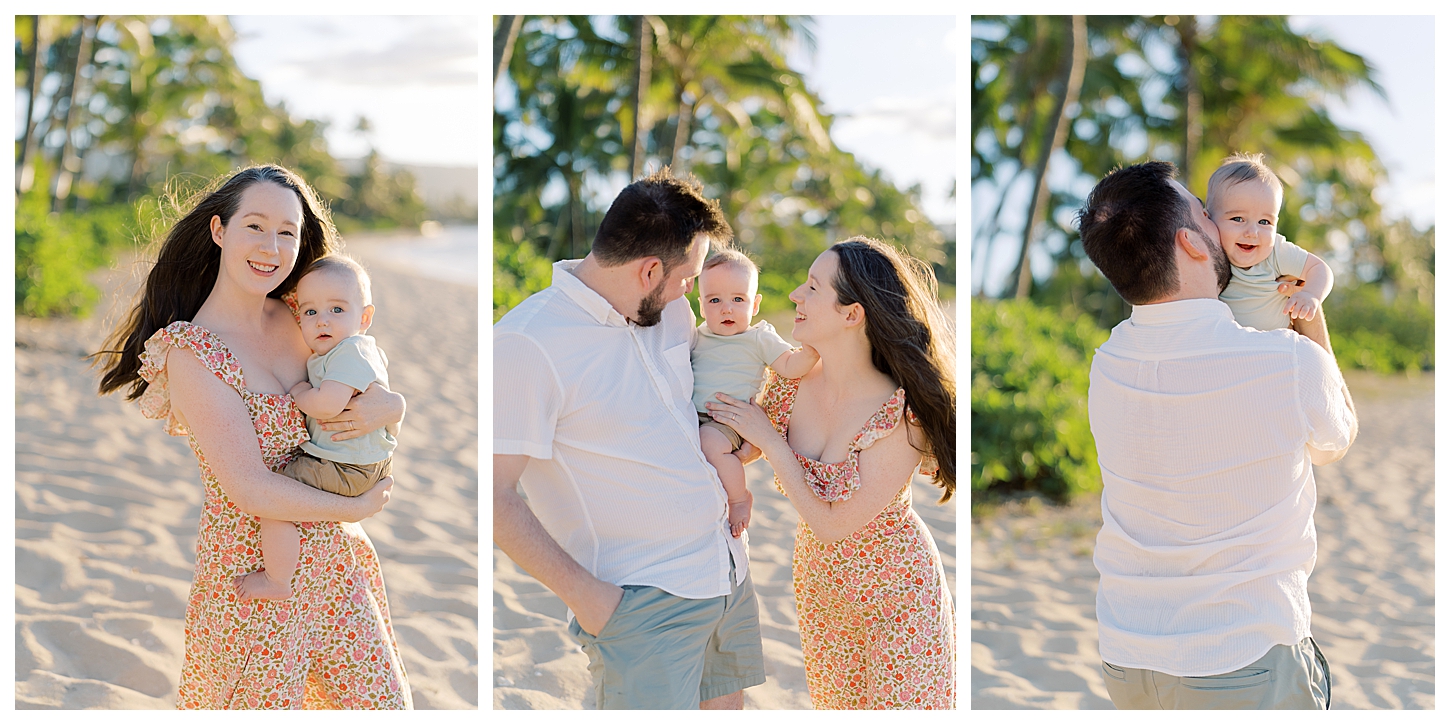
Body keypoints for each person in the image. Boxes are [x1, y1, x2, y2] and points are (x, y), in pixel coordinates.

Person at [96, 165, 411, 709]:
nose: (272, 246)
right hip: (255, 573)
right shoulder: (193, 352)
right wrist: (353, 508)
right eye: (256, 226)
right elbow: (248, 488)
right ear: (219, 231)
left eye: (288, 231)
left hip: (338, 568)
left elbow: (363, 375)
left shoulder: (303, 317)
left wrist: (393, 405)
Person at [1076, 161, 1358, 710]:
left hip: (1127, 658)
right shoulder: (1285, 362)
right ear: (1194, 243)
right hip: (1243, 656)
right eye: (1207, 215)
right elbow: (1335, 439)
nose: (1223, 225)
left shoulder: (1107, 363)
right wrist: (1311, 322)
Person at [493, 167, 765, 710]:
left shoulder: (672, 315)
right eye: (687, 277)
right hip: (641, 605)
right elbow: (496, 497)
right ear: (649, 271)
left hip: (725, 571)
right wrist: (591, 600)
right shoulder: (526, 344)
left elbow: (689, 414)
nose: (693, 290)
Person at [705, 237, 957, 709]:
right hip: (822, 592)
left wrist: (772, 441)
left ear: (852, 314)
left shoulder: (902, 413)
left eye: (813, 288)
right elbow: (742, 447)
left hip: (898, 597)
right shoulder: (790, 382)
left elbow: (832, 523)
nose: (795, 296)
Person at [234, 255, 397, 602]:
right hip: (363, 459)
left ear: (364, 317)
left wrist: (300, 391)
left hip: (346, 466)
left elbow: (327, 405)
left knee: (276, 501)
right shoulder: (356, 350)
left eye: (337, 310)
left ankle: (277, 580)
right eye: (310, 312)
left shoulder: (350, 352)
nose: (322, 320)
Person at [691, 248, 820, 537]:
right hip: (695, 414)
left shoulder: (758, 337)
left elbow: (788, 364)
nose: (727, 308)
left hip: (729, 420)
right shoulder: (697, 336)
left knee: (710, 445)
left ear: (755, 303)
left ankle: (739, 499)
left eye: (738, 299)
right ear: (701, 306)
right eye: (715, 300)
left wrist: (811, 352)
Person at [1207, 152, 1334, 352]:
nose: (1252, 232)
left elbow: (1319, 268)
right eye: (1238, 219)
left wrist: (1311, 295)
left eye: (1264, 222)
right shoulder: (1208, 256)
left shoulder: (1276, 252)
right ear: (1208, 219)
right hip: (1231, 352)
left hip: (1279, 348)